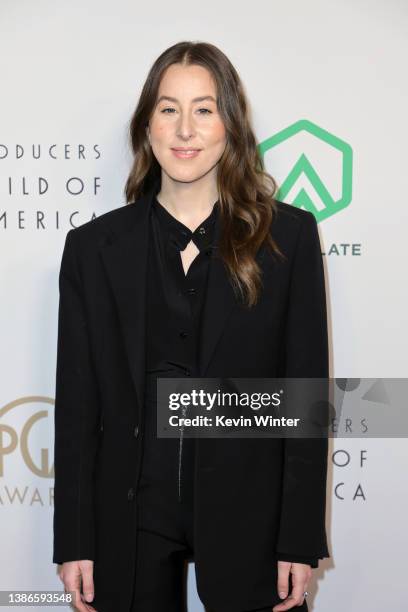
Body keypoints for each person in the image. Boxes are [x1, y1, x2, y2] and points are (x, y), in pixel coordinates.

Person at [53, 41, 330, 612]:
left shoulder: (289, 239)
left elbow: (303, 401)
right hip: (129, 513)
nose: (185, 129)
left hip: (249, 509)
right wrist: (74, 540)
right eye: (167, 108)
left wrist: (298, 538)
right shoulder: (93, 250)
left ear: (230, 124)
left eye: (204, 109)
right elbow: (78, 406)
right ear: (146, 125)